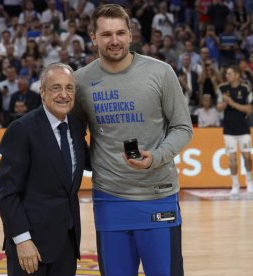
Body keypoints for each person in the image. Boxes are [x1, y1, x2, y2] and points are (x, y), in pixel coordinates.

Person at [73, 4, 192, 275]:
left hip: (158, 195)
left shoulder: (161, 73)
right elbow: (74, 135)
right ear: (93, 37)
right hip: (109, 199)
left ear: (130, 35)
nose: (114, 41)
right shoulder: (80, 82)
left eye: (120, 33)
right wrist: (93, 163)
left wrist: (157, 158)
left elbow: (183, 127)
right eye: (106, 34)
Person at [0, 63, 87, 276]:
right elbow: (7, 194)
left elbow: (90, 161)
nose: (63, 95)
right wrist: (22, 239)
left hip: (67, 242)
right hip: (31, 246)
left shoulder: (75, 126)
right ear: (43, 92)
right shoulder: (22, 129)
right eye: (56, 88)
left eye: (69, 88)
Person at [217, 65, 253, 195]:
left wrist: (232, 103)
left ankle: (249, 181)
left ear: (237, 75)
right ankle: (235, 185)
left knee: (247, 156)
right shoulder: (222, 88)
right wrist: (225, 103)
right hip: (228, 130)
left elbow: (249, 109)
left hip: (244, 129)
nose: (227, 76)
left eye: (229, 73)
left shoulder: (245, 88)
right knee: (232, 158)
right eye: (226, 73)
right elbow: (219, 107)